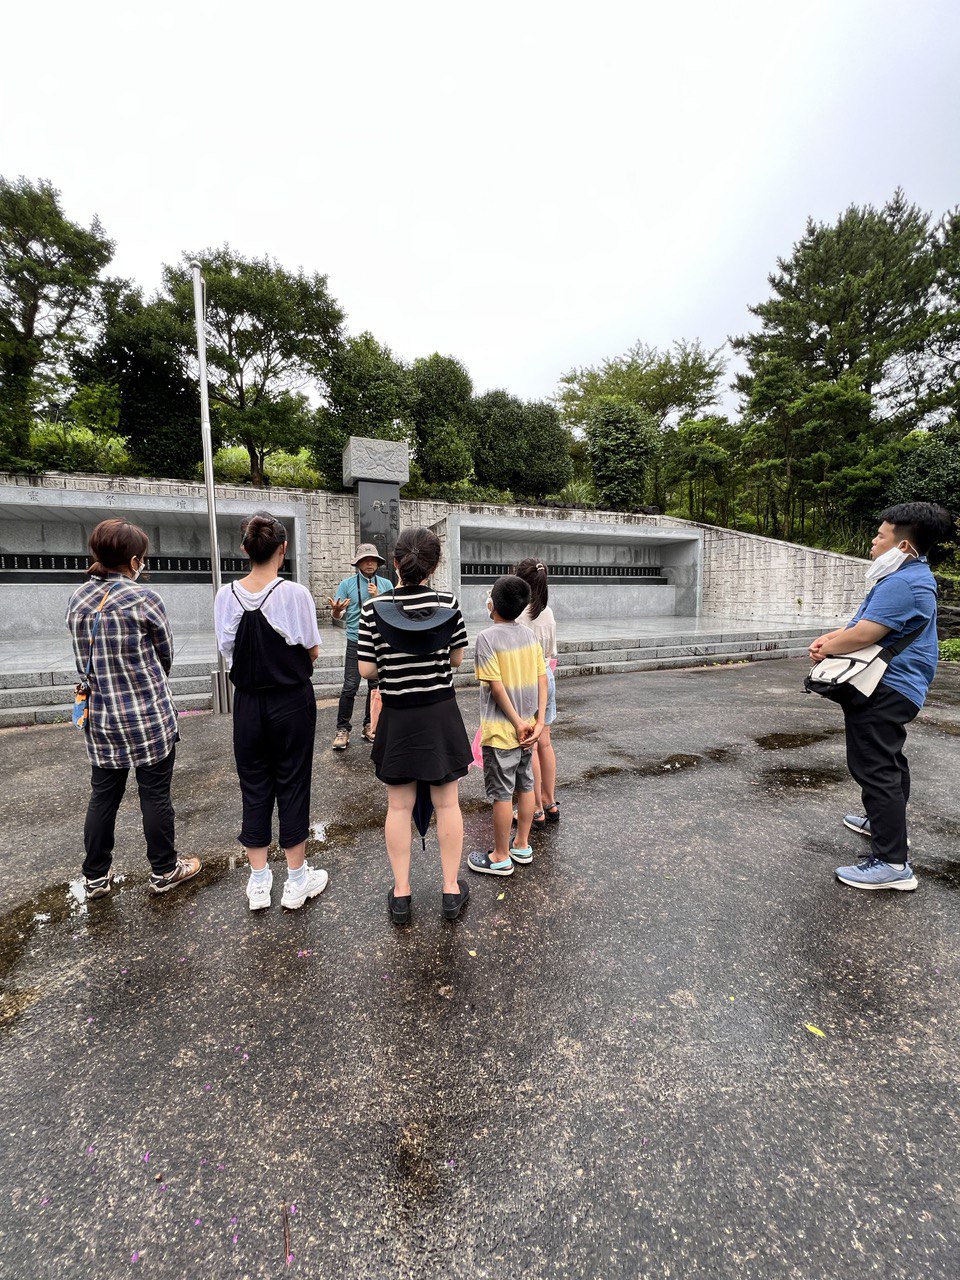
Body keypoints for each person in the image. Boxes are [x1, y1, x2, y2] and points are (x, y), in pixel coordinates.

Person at [808, 502, 954, 892]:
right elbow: (860, 624)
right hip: (894, 685)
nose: (874, 540)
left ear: (904, 545)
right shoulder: (905, 577)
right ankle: (883, 821)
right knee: (888, 759)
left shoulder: (905, 581)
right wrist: (831, 637)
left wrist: (828, 648)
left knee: (874, 768)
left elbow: (865, 635)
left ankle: (892, 863)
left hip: (887, 687)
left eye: (881, 535)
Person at [66, 518, 201, 899]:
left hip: (102, 717)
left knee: (103, 795)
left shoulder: (77, 598)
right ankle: (163, 870)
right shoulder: (144, 599)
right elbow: (166, 655)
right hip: (147, 715)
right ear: (135, 559)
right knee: (155, 793)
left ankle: (94, 878)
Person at [356, 526, 472, 924]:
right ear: (434, 565)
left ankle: (402, 894)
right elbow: (457, 660)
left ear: (395, 563)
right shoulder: (448, 602)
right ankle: (451, 891)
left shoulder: (374, 609)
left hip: (399, 715)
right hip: (440, 712)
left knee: (399, 805)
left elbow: (367, 668)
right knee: (448, 803)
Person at [214, 512, 328, 912]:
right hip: (291, 701)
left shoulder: (224, 595)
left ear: (245, 549)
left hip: (247, 704)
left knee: (255, 785)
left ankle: (259, 881)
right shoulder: (295, 594)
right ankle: (297, 879)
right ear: (283, 549)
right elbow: (312, 649)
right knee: (293, 781)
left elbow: (228, 652)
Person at [468, 574, 548, 878]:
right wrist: (538, 722)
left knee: (502, 794)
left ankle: (500, 856)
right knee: (526, 786)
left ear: (493, 604)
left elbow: (496, 687)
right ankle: (522, 845)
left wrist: (516, 723)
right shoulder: (529, 635)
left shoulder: (487, 638)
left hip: (504, 732)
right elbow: (543, 678)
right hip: (530, 730)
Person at [328, 544, 394, 751]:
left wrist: (377, 598)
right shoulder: (346, 584)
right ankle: (342, 729)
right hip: (355, 640)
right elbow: (337, 616)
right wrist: (337, 612)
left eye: (373, 560)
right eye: (365, 560)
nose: (369, 563)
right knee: (350, 686)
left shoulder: (386, 585)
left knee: (375, 687)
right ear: (357, 563)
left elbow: (393, 614)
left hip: (378, 641)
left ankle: (370, 725)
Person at [515, 557, 560, 831]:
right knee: (545, 742)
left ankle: (534, 808)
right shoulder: (549, 613)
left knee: (528, 745)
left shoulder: (518, 613)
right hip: (547, 675)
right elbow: (552, 652)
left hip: (526, 680)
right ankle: (550, 801)